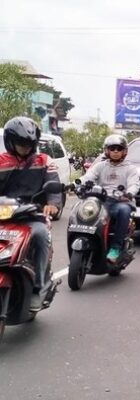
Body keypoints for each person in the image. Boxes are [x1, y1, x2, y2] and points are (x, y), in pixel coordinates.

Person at [0, 117, 61, 311]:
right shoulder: (1, 161)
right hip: (4, 214)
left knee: (41, 235)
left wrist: (52, 204)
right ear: (10, 141)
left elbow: (53, 185)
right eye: (21, 143)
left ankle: (39, 286)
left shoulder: (44, 161)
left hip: (32, 215)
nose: (25, 148)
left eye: (29, 144)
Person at [80, 134, 140, 263]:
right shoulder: (100, 166)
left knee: (124, 211)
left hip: (121, 201)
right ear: (107, 150)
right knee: (83, 209)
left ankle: (116, 248)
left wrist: (129, 194)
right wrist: (77, 184)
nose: (116, 152)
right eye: (112, 148)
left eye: (119, 148)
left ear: (124, 151)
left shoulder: (130, 168)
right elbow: (88, 177)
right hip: (102, 200)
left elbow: (134, 184)